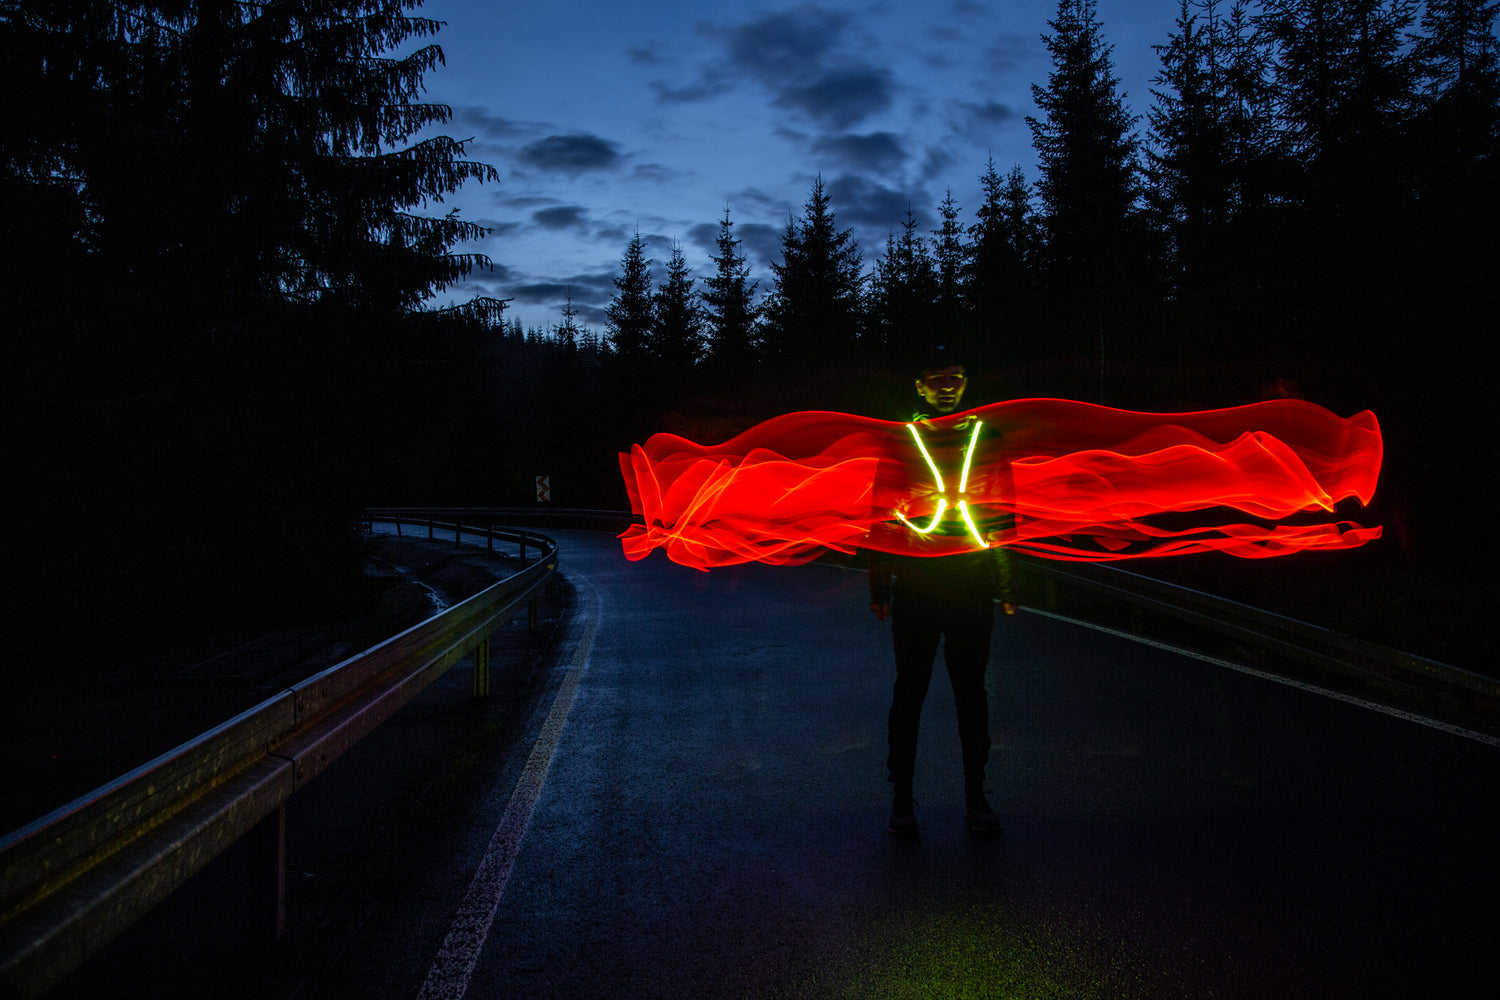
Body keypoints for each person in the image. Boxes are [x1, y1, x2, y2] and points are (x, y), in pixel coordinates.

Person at [868, 353, 1018, 838]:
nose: (948, 387)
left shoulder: (985, 438)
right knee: (910, 693)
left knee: (972, 695)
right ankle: (901, 800)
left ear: (965, 383)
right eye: (938, 380)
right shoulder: (903, 442)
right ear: (921, 385)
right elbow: (880, 515)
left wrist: (1007, 583)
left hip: (971, 584)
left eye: (956, 379)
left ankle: (976, 798)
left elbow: (1002, 511)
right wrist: (880, 584)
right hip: (917, 584)